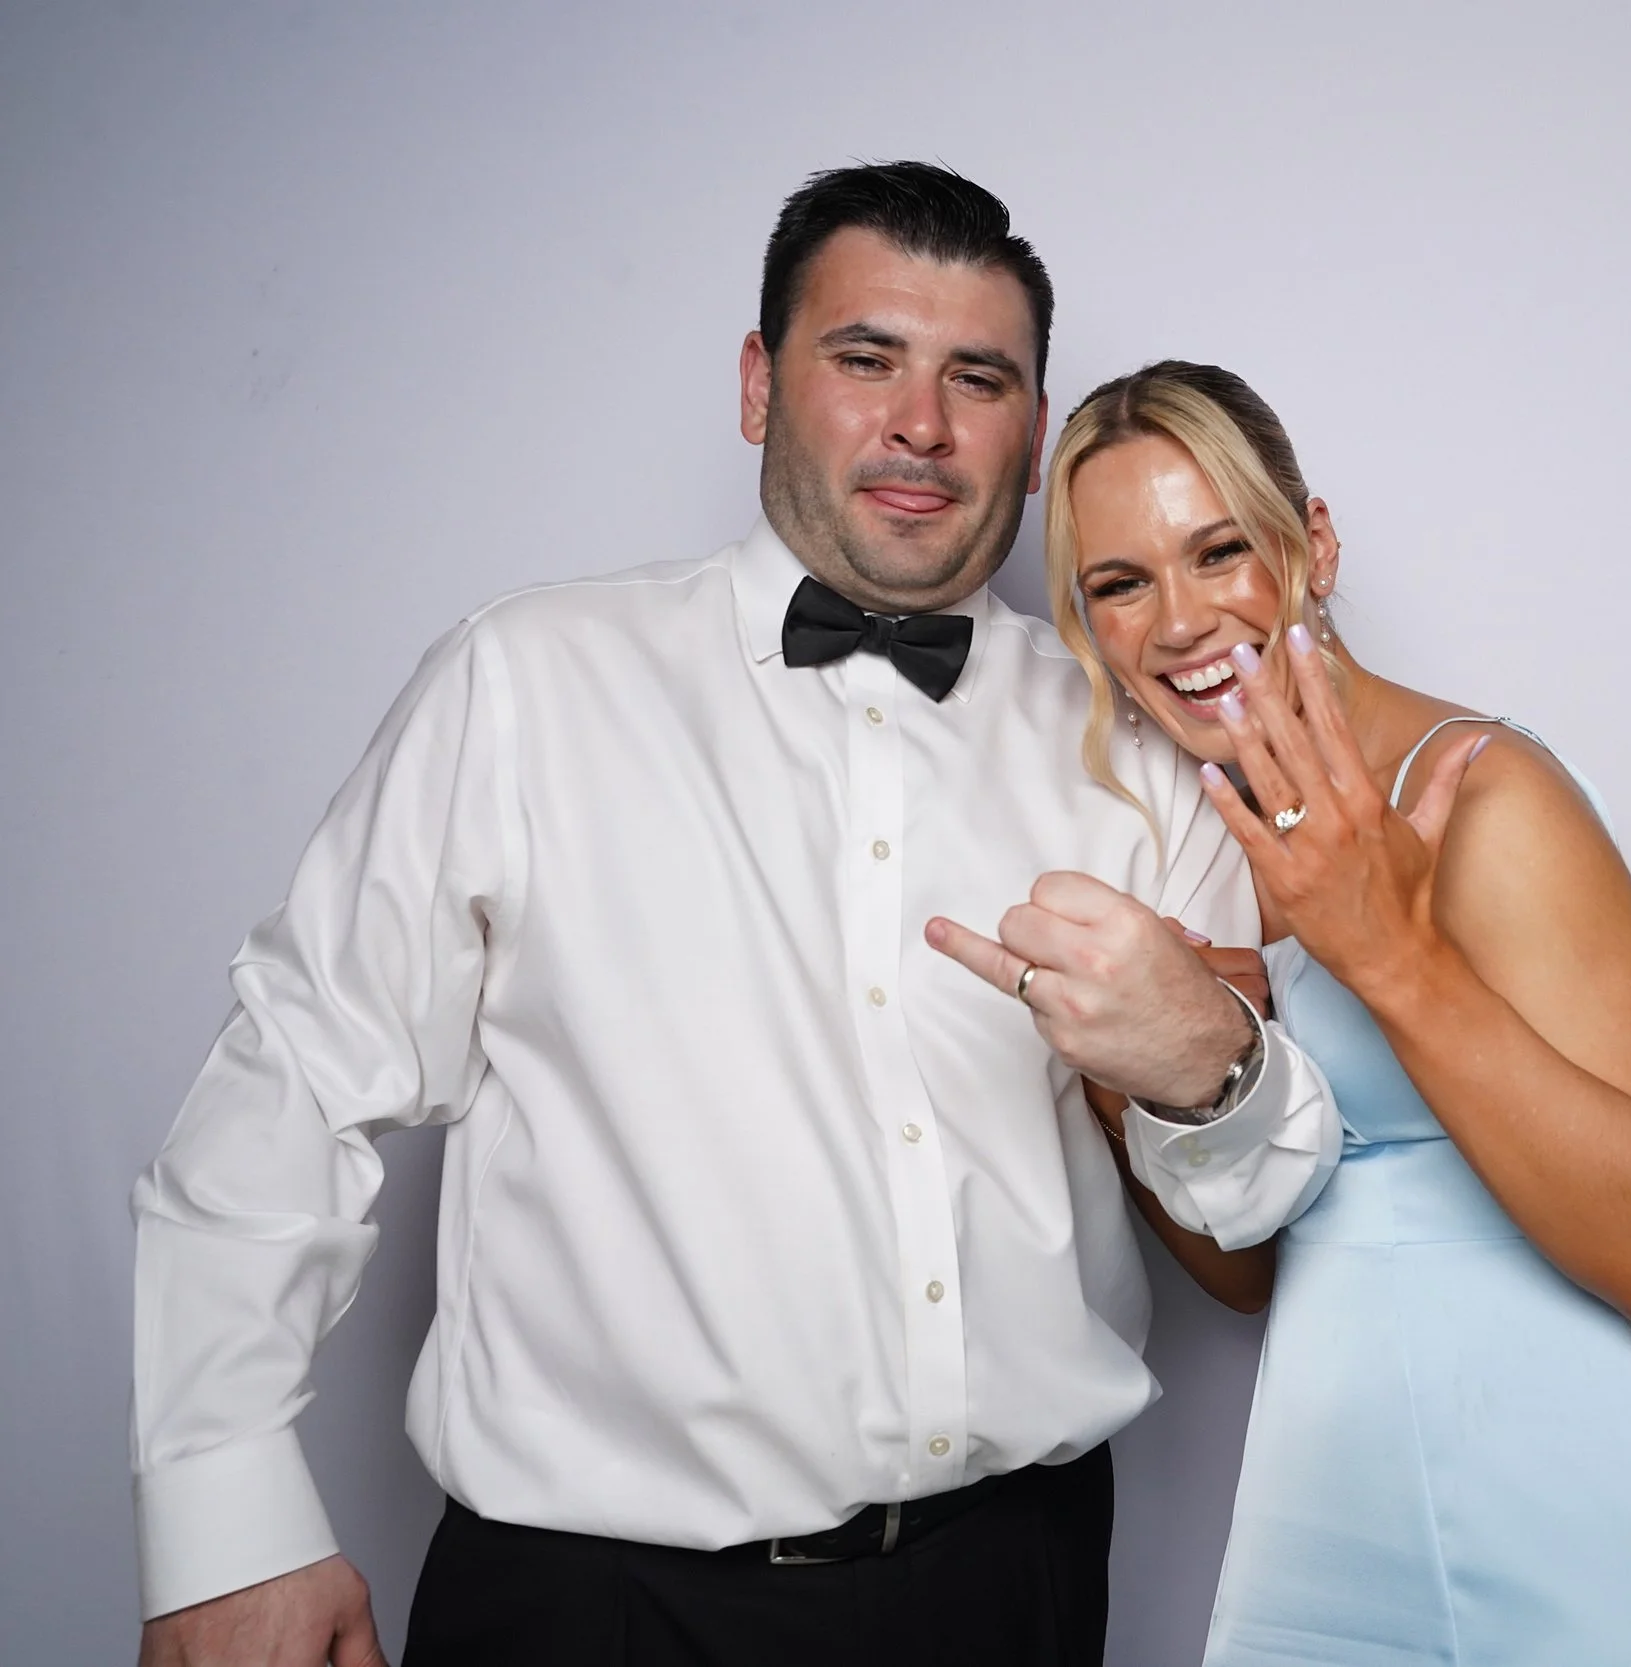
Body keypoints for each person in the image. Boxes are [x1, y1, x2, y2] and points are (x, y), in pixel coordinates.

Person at [128, 168, 1341, 1667]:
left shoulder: (1131, 744)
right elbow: (296, 1080)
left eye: (980, 378)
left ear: (1031, 437)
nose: (922, 423)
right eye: (865, 358)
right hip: (594, 1609)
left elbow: (1253, 1211)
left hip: (1011, 1589)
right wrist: (222, 1517)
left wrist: (1210, 1066)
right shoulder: (526, 683)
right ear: (761, 384)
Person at [989, 360, 1631, 1665]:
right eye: (1121, 583)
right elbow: (1254, 1274)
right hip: (1336, 1520)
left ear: (1313, 543)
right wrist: (1139, 1070)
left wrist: (1393, 957)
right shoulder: (1192, 848)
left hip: (1582, 1523)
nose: (1182, 621)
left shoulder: (1486, 795)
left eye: (1220, 551)